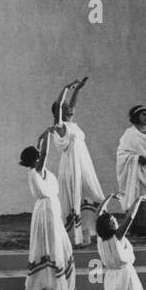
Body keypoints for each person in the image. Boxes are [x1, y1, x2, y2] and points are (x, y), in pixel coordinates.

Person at [18, 129, 77, 290]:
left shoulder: (35, 171)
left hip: (48, 208)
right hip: (47, 210)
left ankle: (65, 285)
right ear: (35, 159)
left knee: (59, 245)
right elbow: (44, 152)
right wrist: (48, 134)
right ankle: (58, 286)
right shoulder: (37, 170)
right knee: (55, 245)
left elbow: (40, 149)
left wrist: (43, 135)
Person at [49, 77, 105, 247]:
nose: (70, 109)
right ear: (60, 112)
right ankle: (76, 236)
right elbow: (59, 106)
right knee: (75, 197)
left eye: (69, 108)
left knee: (92, 194)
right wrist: (66, 88)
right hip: (71, 165)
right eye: (66, 108)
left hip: (83, 163)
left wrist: (78, 90)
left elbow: (71, 106)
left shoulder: (72, 123)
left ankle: (89, 230)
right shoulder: (60, 126)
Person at [115, 105, 146, 237]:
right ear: (136, 116)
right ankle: (138, 227)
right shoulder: (129, 134)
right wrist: (136, 158)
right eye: (143, 114)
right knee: (139, 196)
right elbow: (121, 154)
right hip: (136, 172)